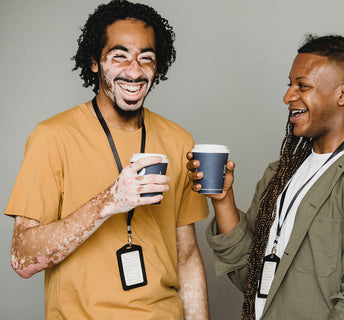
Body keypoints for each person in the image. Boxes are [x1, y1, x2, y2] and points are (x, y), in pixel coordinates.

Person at [187, 35, 344, 319]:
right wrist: (223, 201)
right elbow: (252, 279)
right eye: (290, 84)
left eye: (303, 86)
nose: (287, 97)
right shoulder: (280, 173)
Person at [5, 1, 210, 319]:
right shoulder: (52, 137)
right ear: (94, 62)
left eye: (146, 58)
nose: (135, 71)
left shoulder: (179, 139)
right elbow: (22, 259)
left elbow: (187, 257)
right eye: (120, 56)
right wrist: (108, 201)